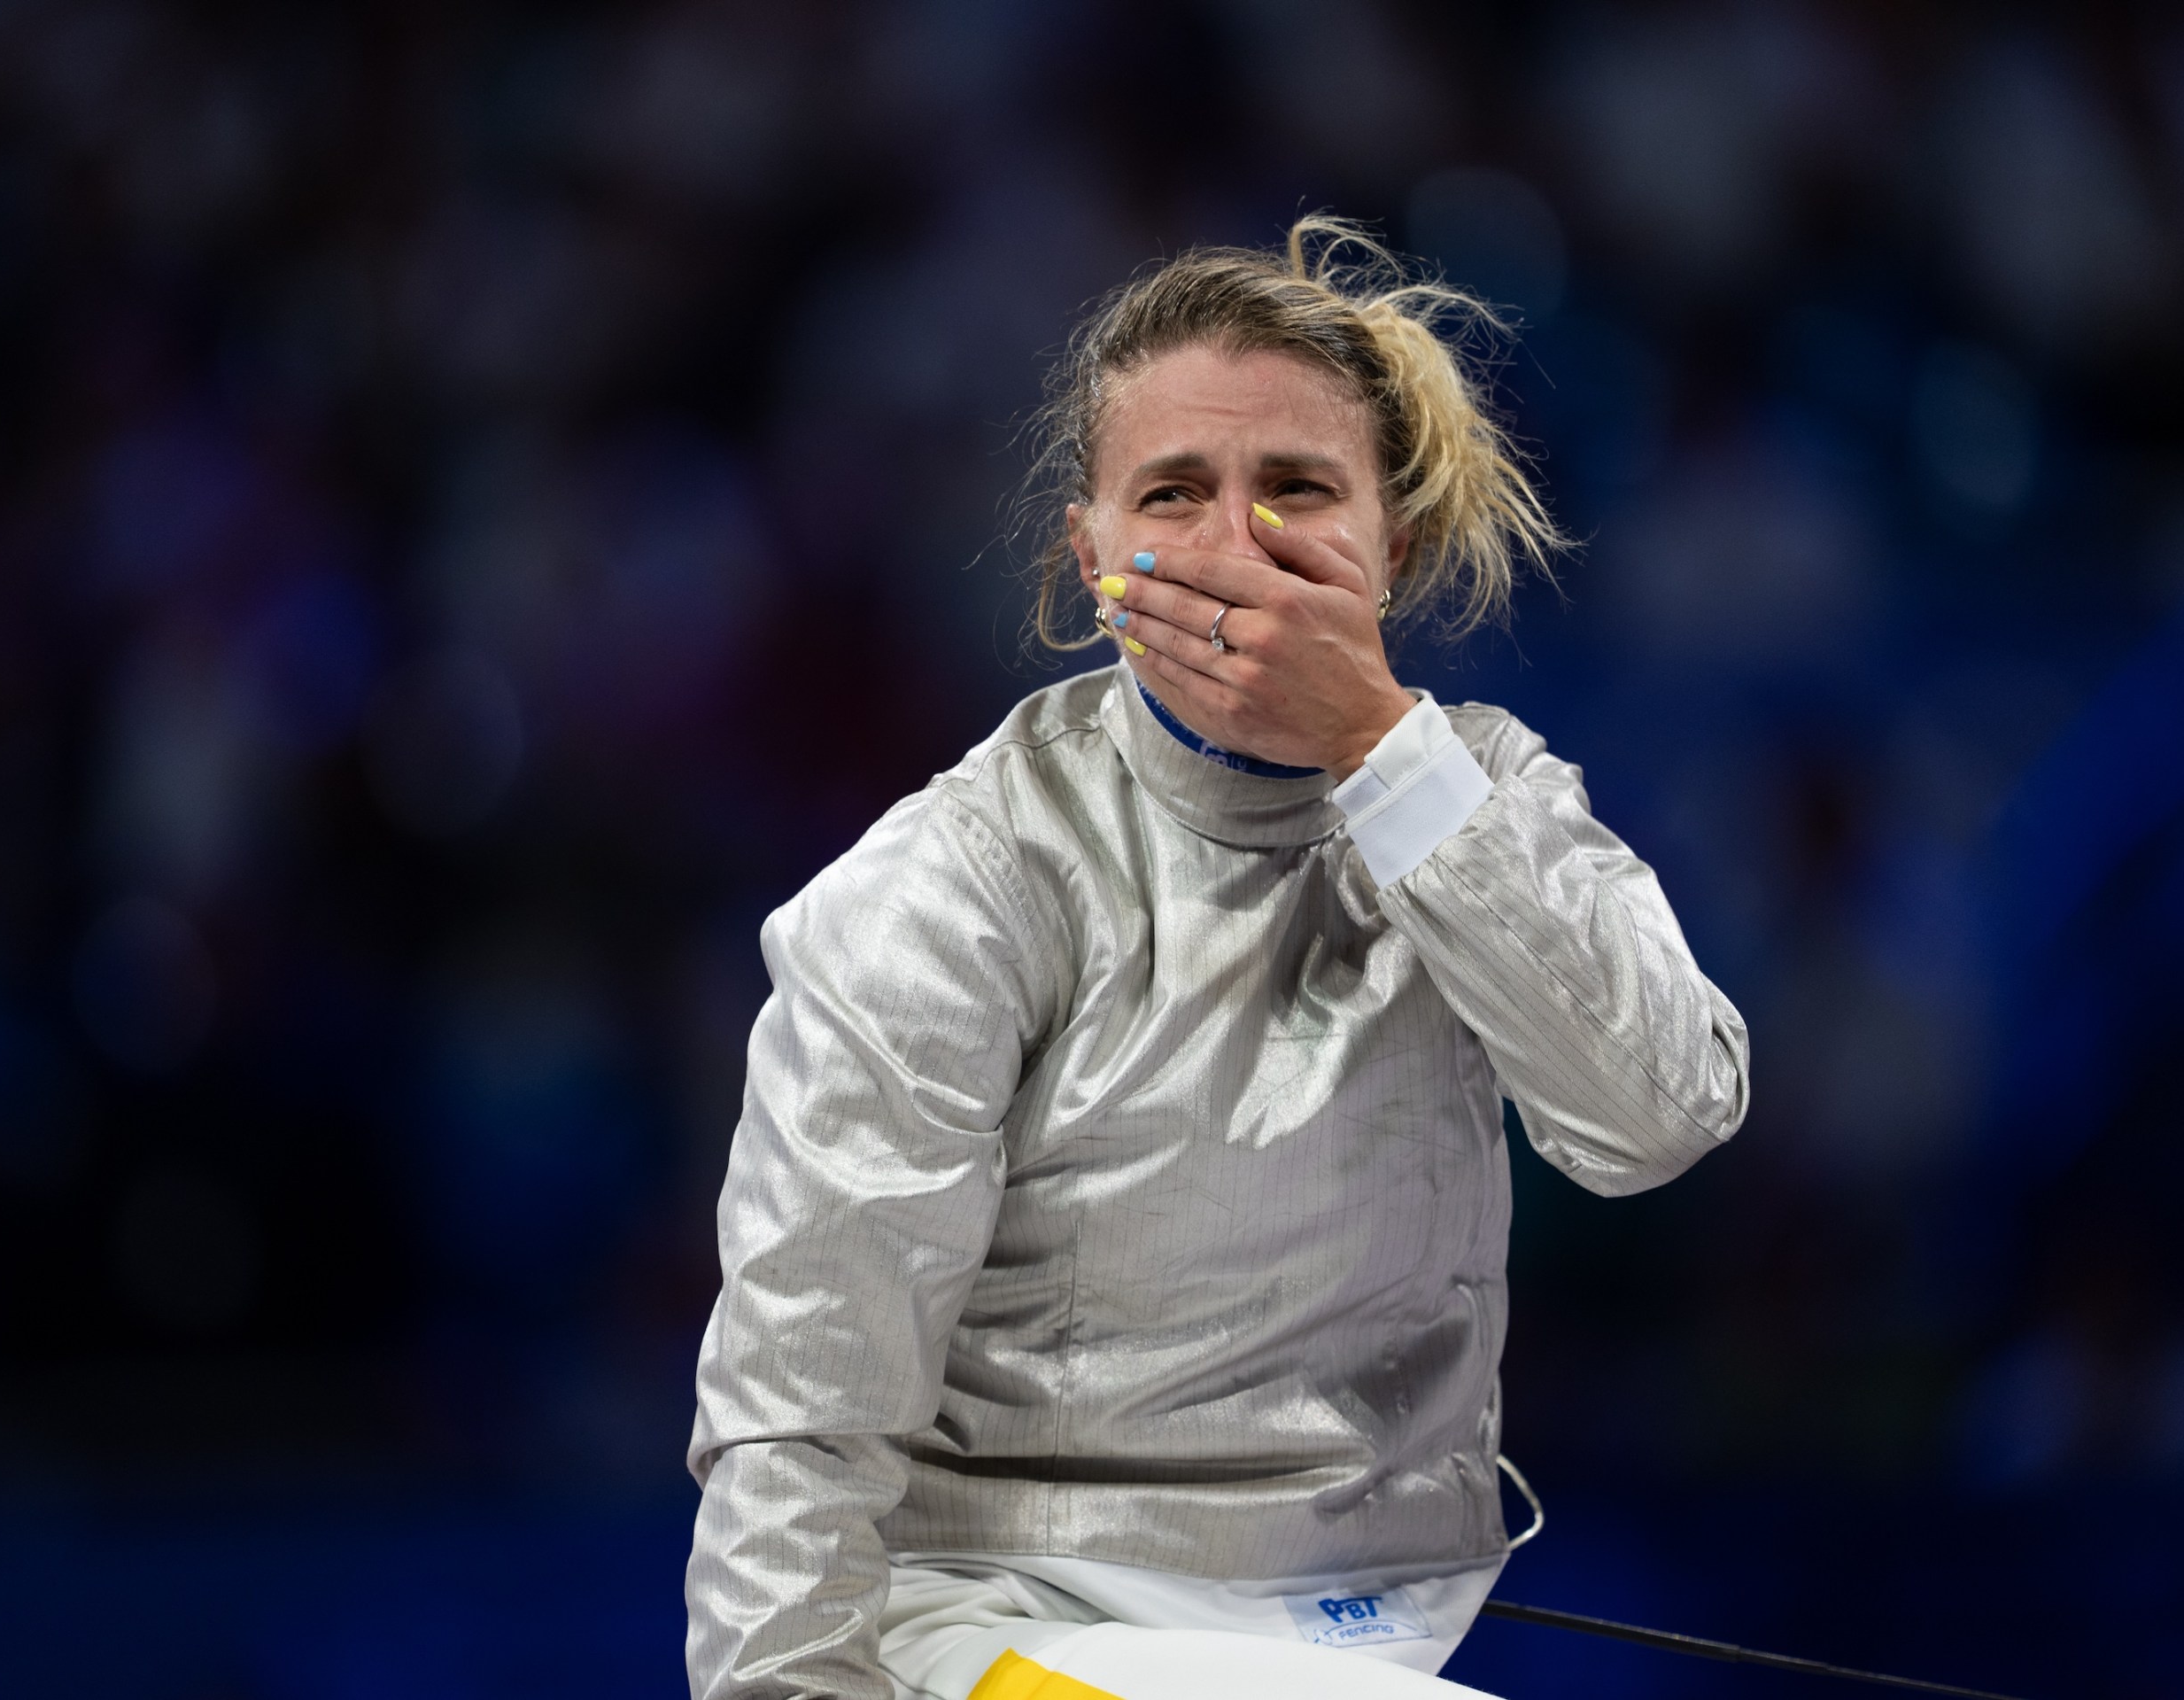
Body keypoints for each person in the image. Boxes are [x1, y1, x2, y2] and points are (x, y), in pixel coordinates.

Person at [685, 215, 1751, 1700]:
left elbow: (1655, 1120)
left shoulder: (1480, 796)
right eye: (1172, 494)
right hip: (1021, 1620)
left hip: (1388, 1623)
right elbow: (804, 1398)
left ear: (1400, 541)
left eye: (1299, 491)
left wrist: (1382, 751)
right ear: (1091, 553)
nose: (1233, 546)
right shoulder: (960, 881)